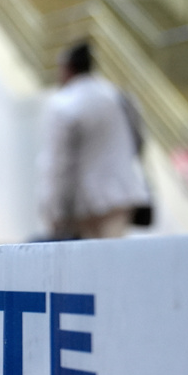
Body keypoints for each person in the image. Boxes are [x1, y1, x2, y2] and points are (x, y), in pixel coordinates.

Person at [39, 41, 150, 239]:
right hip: (121, 196)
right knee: (115, 259)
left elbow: (59, 163)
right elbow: (139, 141)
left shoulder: (63, 104)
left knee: (88, 264)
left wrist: (53, 209)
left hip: (86, 202)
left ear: (68, 69)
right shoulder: (117, 95)